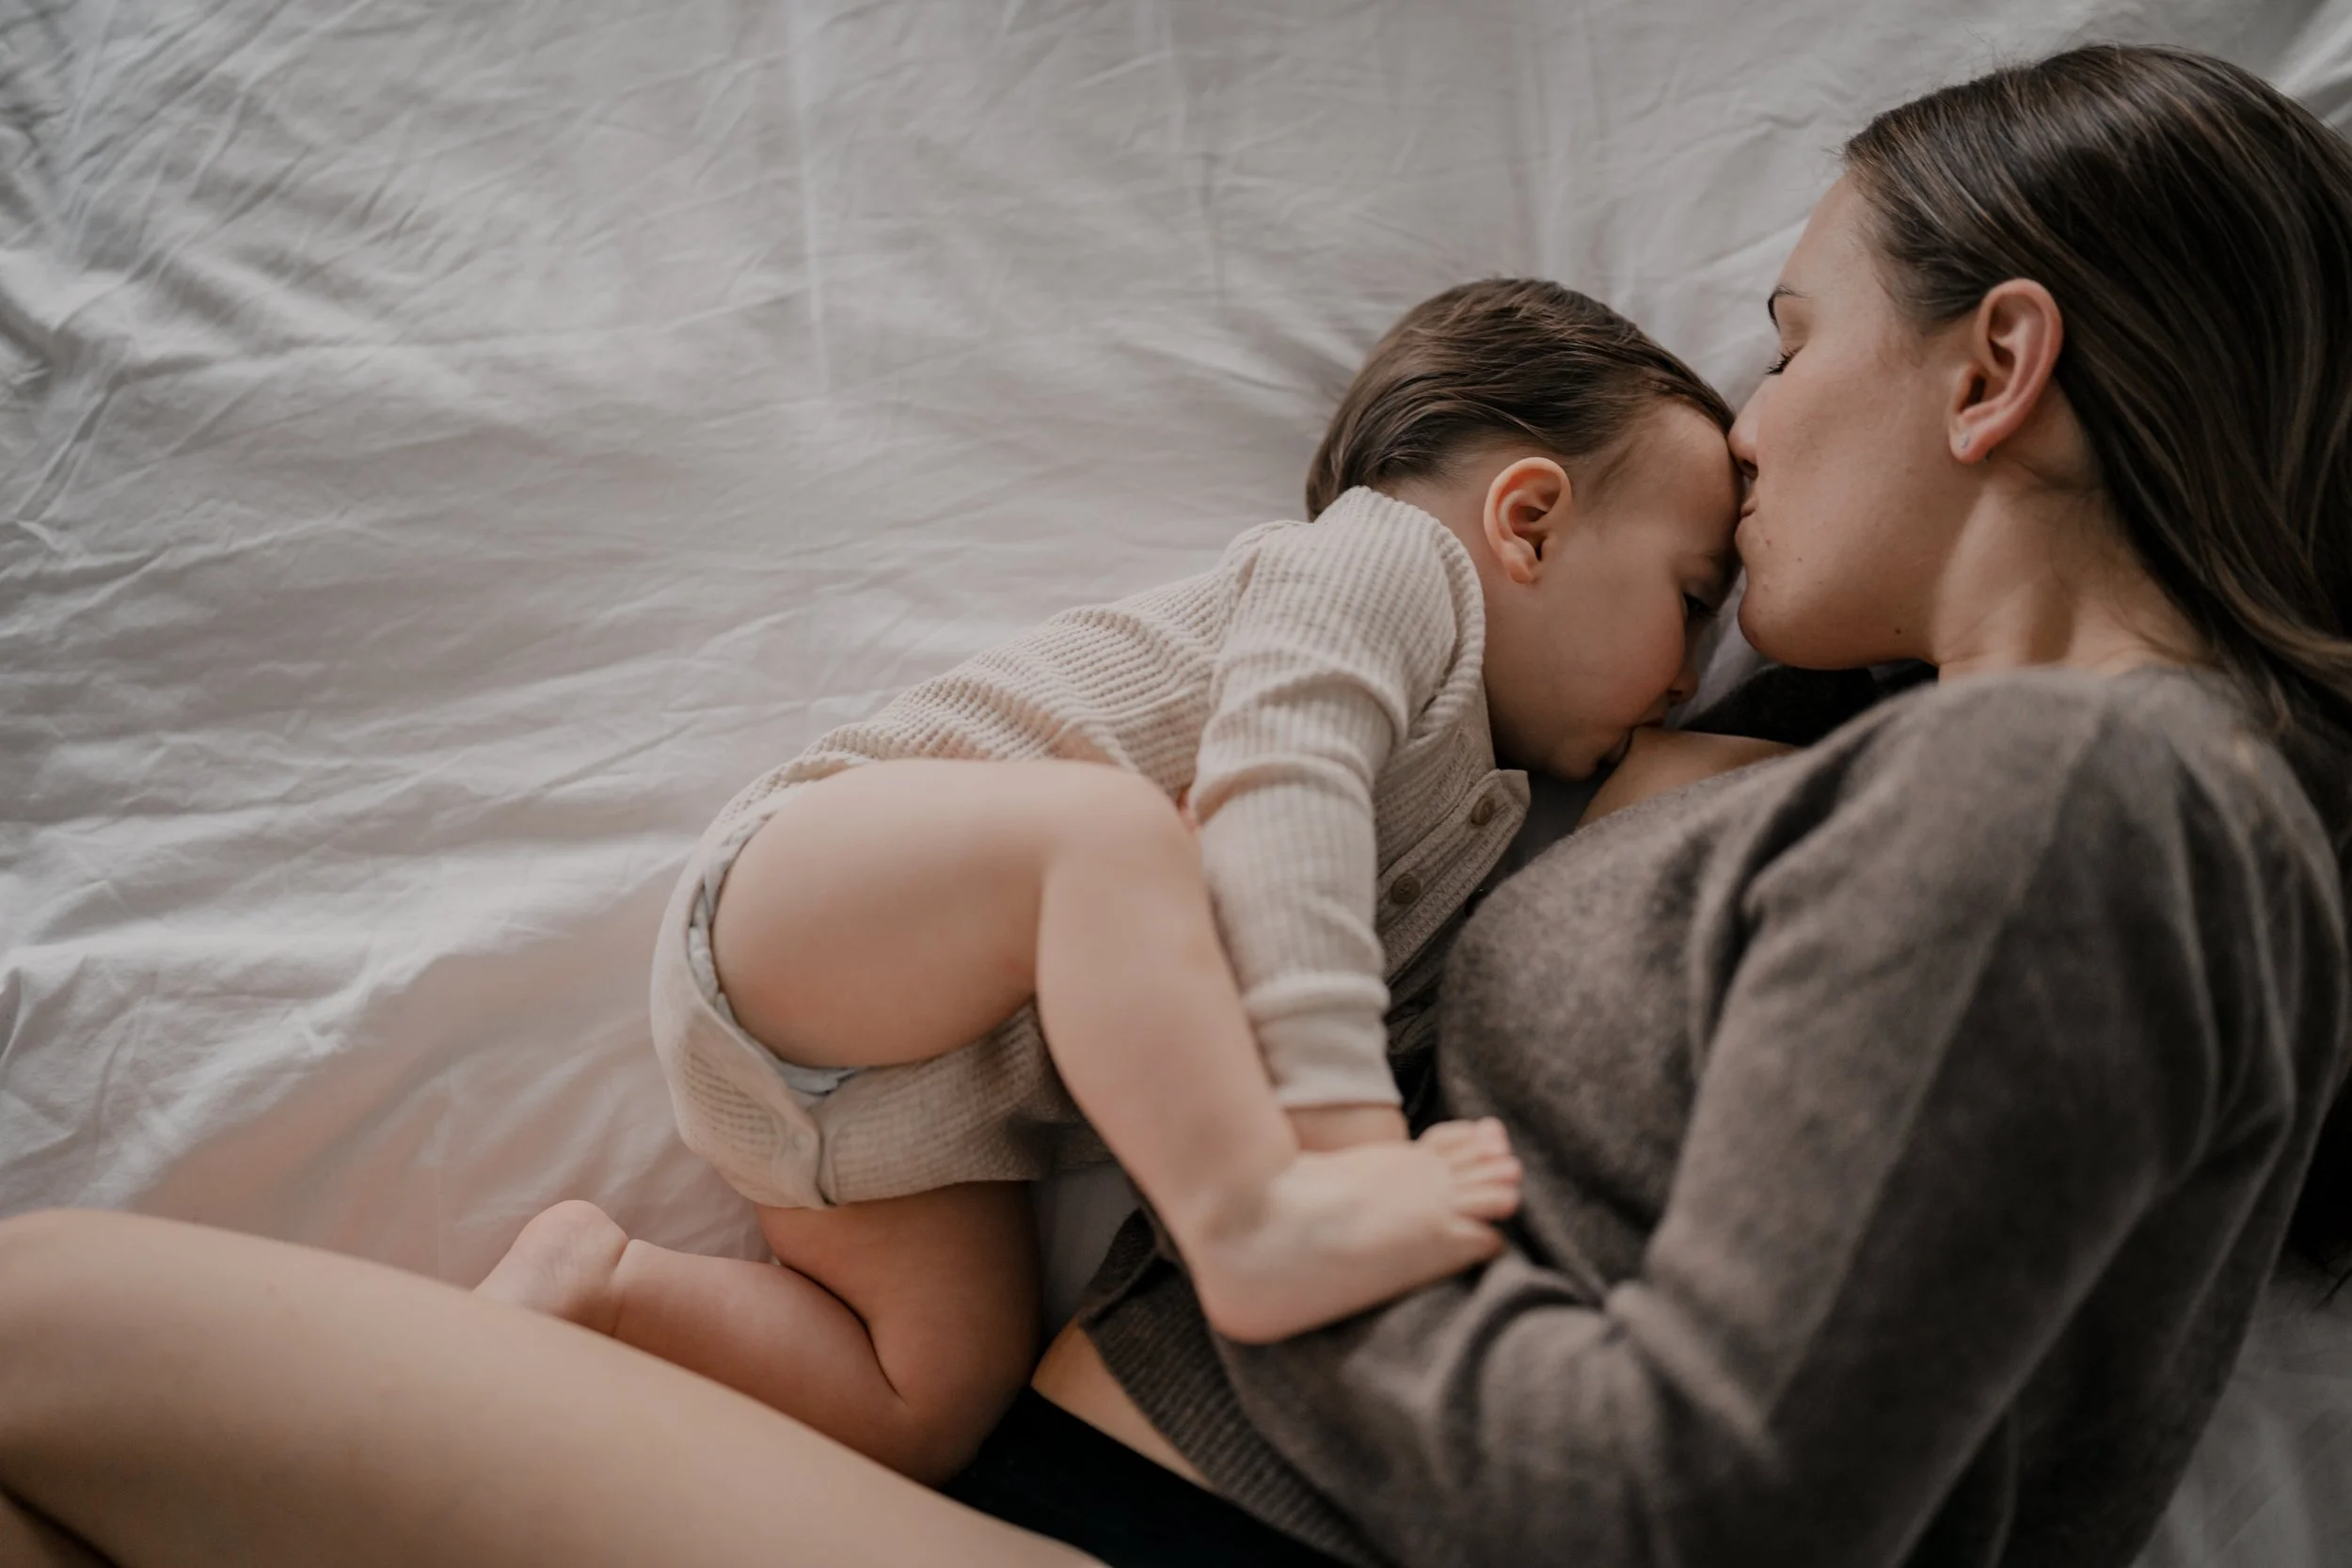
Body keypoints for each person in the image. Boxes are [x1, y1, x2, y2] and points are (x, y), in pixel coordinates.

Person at [0, 41, 2345, 1568]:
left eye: (1798, 335)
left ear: (1996, 364)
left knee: (40, 1329)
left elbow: (1715, 1504)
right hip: (1060, 1486)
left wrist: (1265, 1222)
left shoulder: (2081, 797)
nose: (1748, 415)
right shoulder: (2018, 803)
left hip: (1179, 1534)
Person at [474, 278, 1750, 1480]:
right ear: (1526, 521)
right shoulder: (1390, 568)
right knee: (1112, 832)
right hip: (802, 906)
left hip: (894, 1119)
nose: (1694, 668)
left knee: (937, 1401)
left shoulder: (1490, 817)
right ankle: (1256, 1221)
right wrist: (1341, 1147)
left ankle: (603, 1282)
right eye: (1692, 598)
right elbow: (1283, 777)